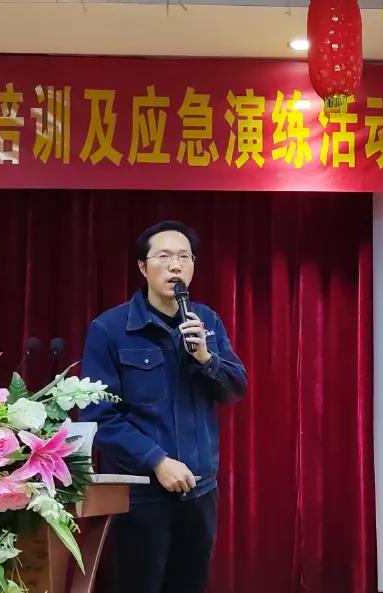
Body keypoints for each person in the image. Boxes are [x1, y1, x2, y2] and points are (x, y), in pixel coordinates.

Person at [80, 220, 247, 593]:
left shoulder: (207, 322)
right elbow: (98, 416)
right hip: (140, 492)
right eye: (165, 257)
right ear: (143, 267)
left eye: (184, 257)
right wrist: (157, 460)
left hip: (200, 490)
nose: (176, 266)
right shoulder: (109, 329)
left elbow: (235, 388)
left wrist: (206, 358)